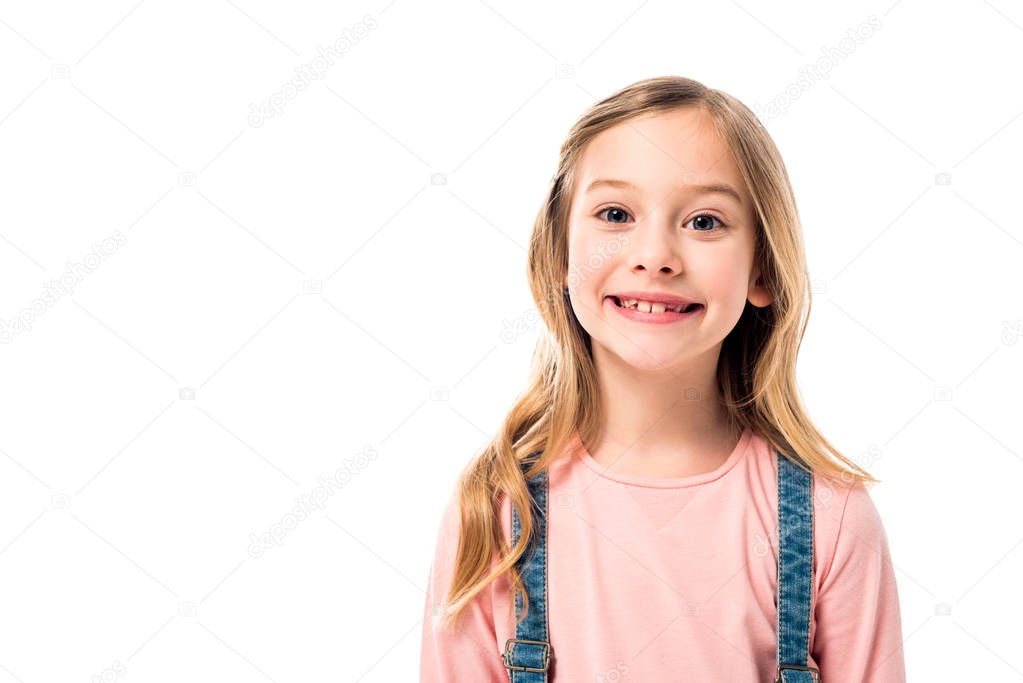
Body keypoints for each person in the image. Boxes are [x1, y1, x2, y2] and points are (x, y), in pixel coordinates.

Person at [419, 75, 906, 682]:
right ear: (560, 258)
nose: (656, 255)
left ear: (762, 270)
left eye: (704, 221)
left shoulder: (830, 519)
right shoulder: (497, 514)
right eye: (616, 214)